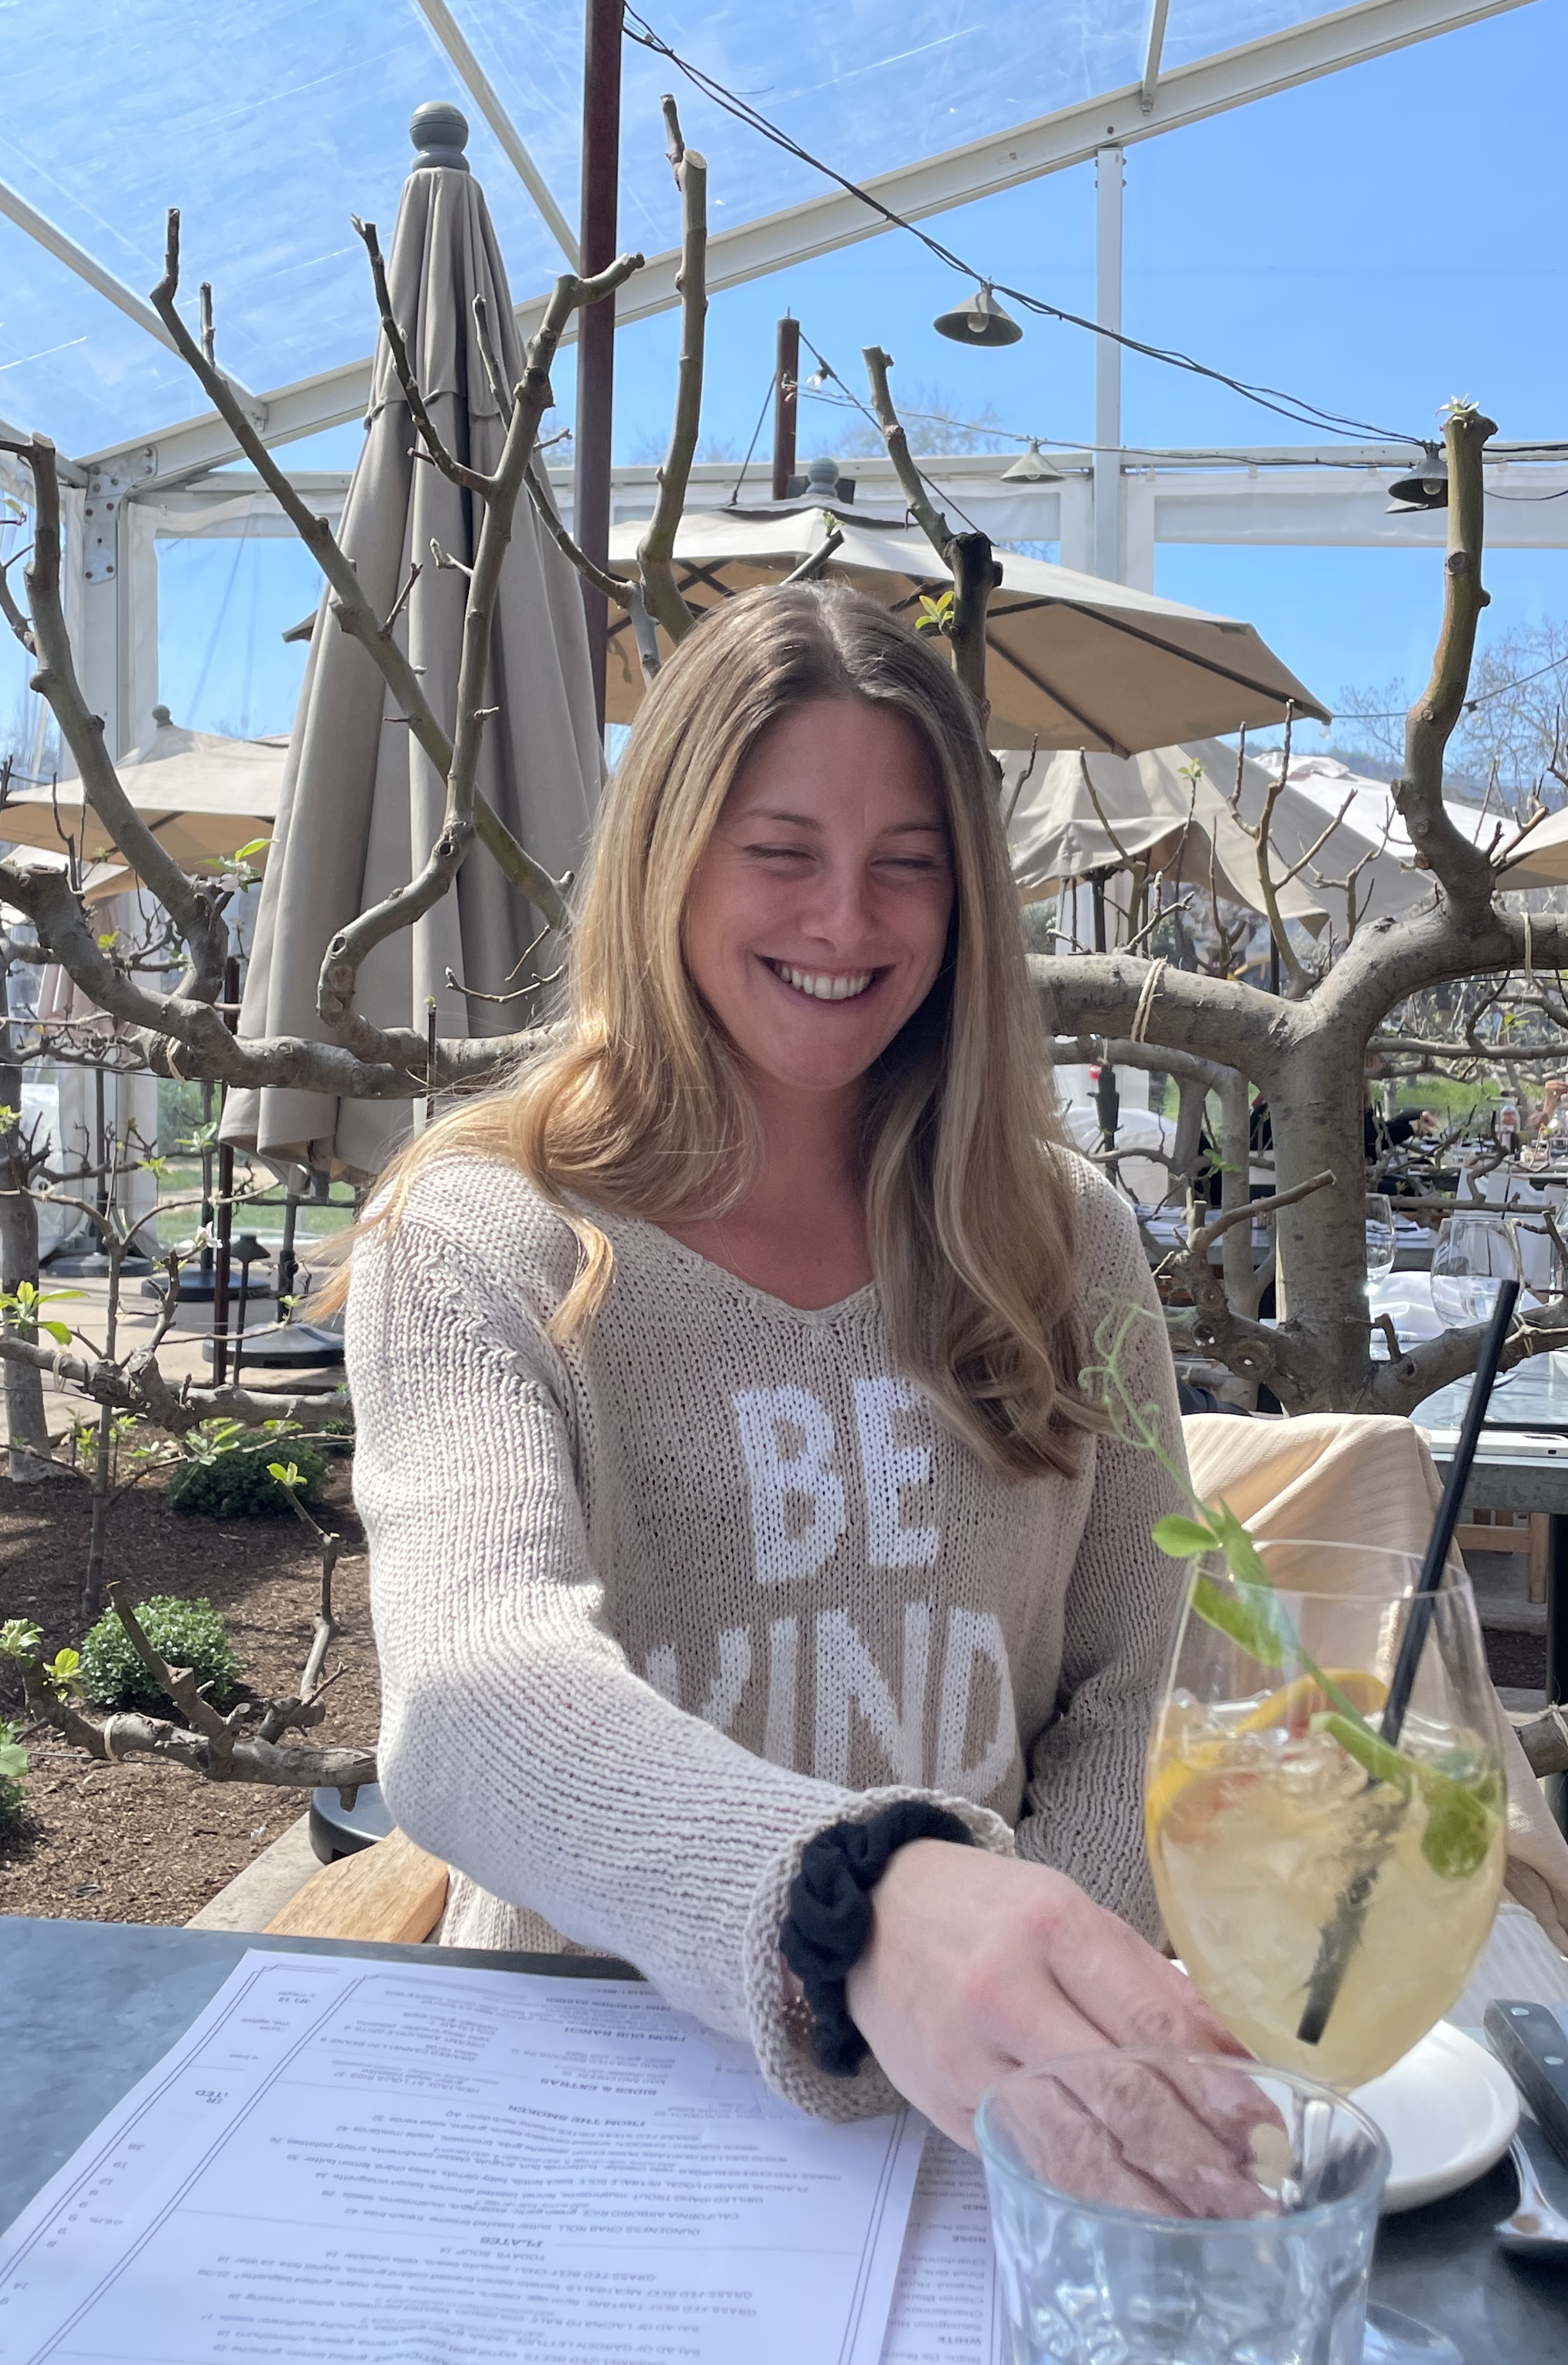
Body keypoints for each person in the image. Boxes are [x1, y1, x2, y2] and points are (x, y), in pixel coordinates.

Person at [340, 585, 1257, 2188]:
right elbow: (471, 1697)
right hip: (584, 2102)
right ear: (668, 858)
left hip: (988, 2123)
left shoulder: (1064, 1240)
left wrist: (1015, 2004)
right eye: (781, 851)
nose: (846, 919)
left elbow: (1142, 1692)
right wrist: (858, 1911)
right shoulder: (480, 1235)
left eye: (910, 862)